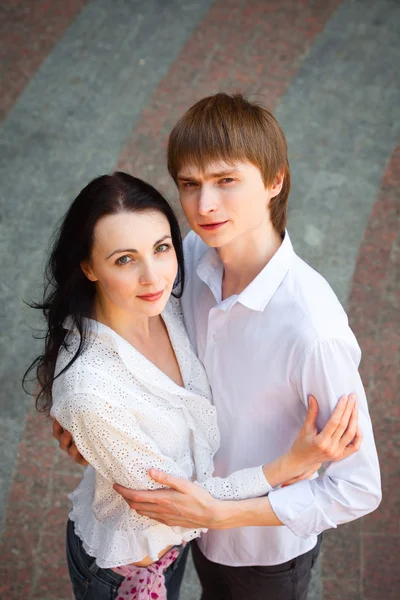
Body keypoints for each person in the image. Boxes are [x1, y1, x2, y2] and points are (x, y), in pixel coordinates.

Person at [53, 94, 381, 600]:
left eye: (226, 181)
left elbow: (358, 488)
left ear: (275, 181)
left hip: (261, 550)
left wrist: (222, 513)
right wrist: (89, 424)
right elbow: (115, 321)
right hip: (184, 534)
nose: (203, 206)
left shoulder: (313, 331)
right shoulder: (186, 258)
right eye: (189, 184)